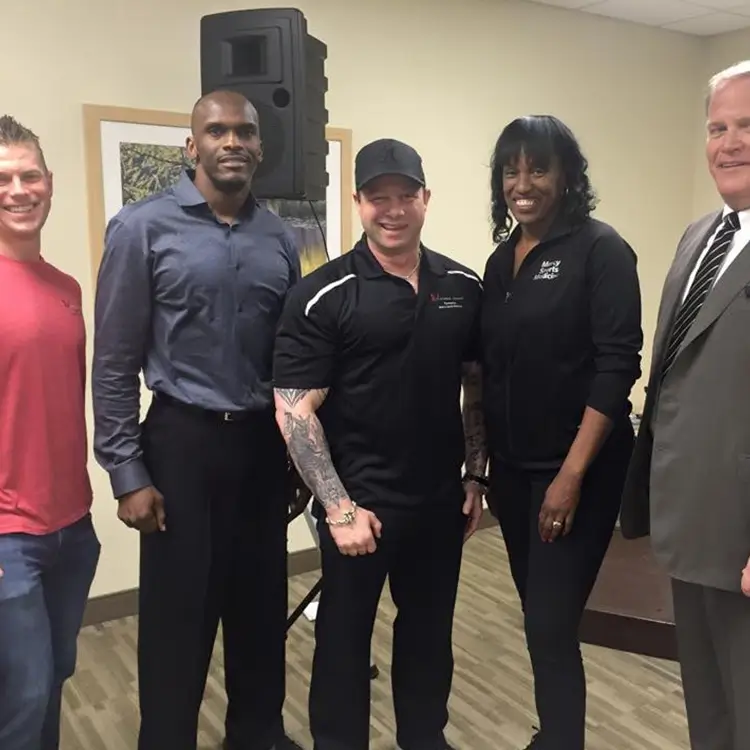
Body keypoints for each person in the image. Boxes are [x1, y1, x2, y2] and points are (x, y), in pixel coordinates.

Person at [92, 90, 302, 750]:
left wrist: (298, 458)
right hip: (181, 446)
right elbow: (115, 362)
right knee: (177, 626)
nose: (231, 142)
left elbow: (290, 358)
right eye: (217, 131)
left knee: (261, 618)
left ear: (260, 147)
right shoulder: (141, 229)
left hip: (263, 453)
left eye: (244, 132)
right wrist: (127, 473)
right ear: (192, 146)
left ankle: (257, 737)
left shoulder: (279, 237)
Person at [272, 137, 486, 750]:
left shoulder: (462, 286)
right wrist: (339, 510)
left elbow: (476, 383)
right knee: (343, 644)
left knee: (427, 638)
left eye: (405, 196)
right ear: (359, 203)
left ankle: (426, 738)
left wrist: (475, 478)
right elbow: (293, 410)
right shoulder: (325, 294)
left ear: (426, 199)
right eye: (377, 198)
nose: (393, 210)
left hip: (438, 504)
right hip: (359, 508)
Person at [479, 115, 643, 750]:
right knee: (538, 621)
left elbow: (616, 368)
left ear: (568, 176)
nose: (524, 183)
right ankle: (554, 734)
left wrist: (569, 477)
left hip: (577, 473)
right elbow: (488, 367)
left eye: (539, 168)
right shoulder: (501, 261)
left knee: (549, 623)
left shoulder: (601, 250)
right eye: (511, 169)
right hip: (515, 474)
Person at [620, 60, 750, 750]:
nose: (729, 143)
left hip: (744, 534)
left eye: (747, 125)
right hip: (690, 526)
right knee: (710, 711)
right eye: (718, 127)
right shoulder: (700, 238)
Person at [0, 116, 101, 750]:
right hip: (8, 534)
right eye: (2, 178)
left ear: (50, 182)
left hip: (73, 526)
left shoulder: (65, 287)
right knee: (24, 690)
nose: (18, 189)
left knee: (54, 676)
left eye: (28, 174)